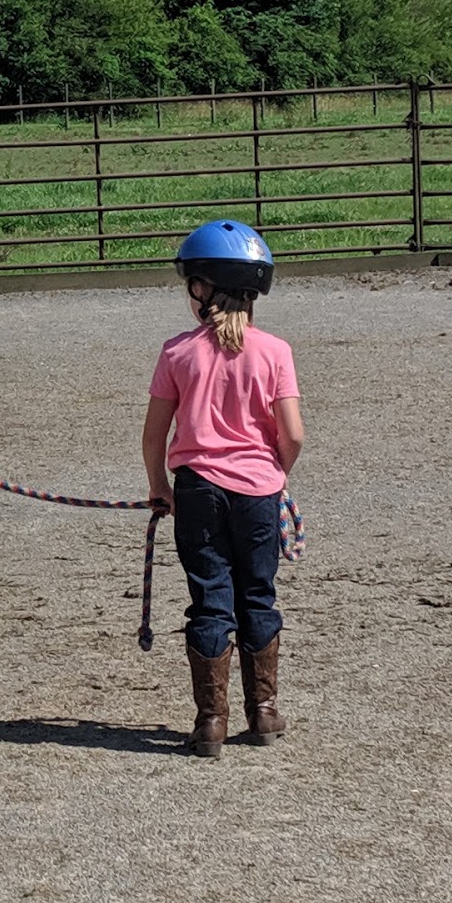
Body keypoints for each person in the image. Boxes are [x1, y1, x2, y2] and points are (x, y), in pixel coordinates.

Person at [141, 219, 304, 759]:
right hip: (259, 491)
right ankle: (264, 713)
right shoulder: (275, 351)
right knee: (258, 593)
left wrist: (158, 486)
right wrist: (275, 473)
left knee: (210, 600)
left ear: (205, 287)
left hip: (197, 490)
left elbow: (154, 434)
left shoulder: (177, 353)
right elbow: (294, 434)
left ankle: (211, 722)